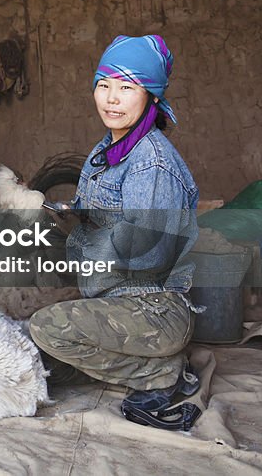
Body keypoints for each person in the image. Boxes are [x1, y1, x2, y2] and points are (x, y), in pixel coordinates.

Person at [29, 35, 201, 414]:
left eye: (126, 87)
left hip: (154, 308)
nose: (111, 98)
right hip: (112, 300)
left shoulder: (151, 164)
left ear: (151, 96)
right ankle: (148, 363)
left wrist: (84, 232)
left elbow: (145, 255)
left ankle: (160, 373)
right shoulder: (104, 151)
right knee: (35, 345)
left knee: (47, 328)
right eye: (103, 85)